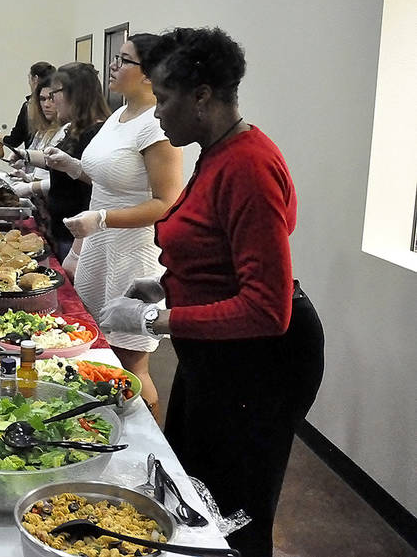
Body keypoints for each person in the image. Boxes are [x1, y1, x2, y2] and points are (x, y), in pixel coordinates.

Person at [98, 27, 324, 557]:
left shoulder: (249, 165)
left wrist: (159, 321)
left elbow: (266, 309)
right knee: (194, 490)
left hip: (260, 362)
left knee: (234, 512)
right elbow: (218, 251)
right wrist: (166, 285)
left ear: (202, 96)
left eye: (165, 99)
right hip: (220, 355)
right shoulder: (217, 151)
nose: (157, 114)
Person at [46, 34, 183, 419]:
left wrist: (104, 218)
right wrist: (74, 168)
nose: (112, 65)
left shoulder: (156, 125)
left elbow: (166, 202)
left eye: (124, 60)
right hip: (99, 247)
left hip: (133, 255)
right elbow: (112, 180)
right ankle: (105, 428)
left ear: (149, 74)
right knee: (98, 350)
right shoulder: (119, 115)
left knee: (131, 363)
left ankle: (149, 446)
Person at [18, 65, 109, 260]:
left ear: (74, 94)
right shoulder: (74, 128)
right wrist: (24, 155)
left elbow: (97, 184)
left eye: (54, 94)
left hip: (76, 235)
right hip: (62, 229)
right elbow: (57, 163)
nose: (51, 102)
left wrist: (32, 186)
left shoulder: (96, 133)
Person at [0, 61, 55, 148]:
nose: (46, 105)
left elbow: (14, 141)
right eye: (42, 99)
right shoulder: (32, 107)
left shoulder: (29, 107)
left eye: (51, 98)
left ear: (35, 79)